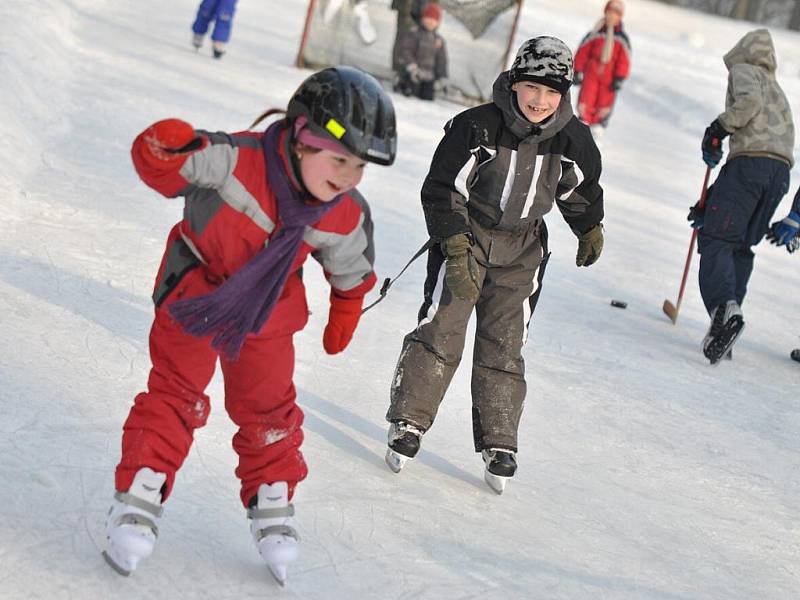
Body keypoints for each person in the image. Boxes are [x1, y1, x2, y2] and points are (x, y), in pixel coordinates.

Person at [102, 67, 397, 584]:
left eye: (359, 166)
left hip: (269, 311)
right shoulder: (239, 159)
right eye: (339, 159)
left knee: (269, 407)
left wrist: (346, 309)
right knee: (175, 394)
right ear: (303, 140)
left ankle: (272, 498)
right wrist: (161, 150)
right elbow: (171, 167)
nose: (348, 176)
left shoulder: (342, 210)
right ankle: (142, 487)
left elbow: (352, 263)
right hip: (196, 291)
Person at [384, 36, 604, 494]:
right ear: (514, 83)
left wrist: (589, 226)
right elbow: (444, 187)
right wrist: (455, 244)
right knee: (443, 327)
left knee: (505, 342)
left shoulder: (571, 139)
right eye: (532, 88)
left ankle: (499, 441)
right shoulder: (477, 127)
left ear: (564, 95)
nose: (541, 101)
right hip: (469, 238)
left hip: (524, 251)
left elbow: (578, 188)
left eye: (552, 92)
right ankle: (409, 421)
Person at [689, 29, 794, 364]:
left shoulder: (745, 71)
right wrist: (714, 196)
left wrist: (719, 128)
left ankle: (724, 309)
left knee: (717, 239)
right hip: (778, 174)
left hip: (749, 166)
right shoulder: (778, 90)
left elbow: (747, 105)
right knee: (740, 247)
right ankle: (727, 325)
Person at [573, 0, 631, 141]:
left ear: (620, 17)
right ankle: (583, 125)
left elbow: (624, 60)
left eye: (616, 14)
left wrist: (619, 77)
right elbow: (583, 52)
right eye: (609, 13)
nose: (612, 17)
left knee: (604, 103)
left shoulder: (621, 38)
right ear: (605, 13)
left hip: (609, 78)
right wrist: (577, 70)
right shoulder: (595, 33)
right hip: (591, 75)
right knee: (586, 98)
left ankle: (598, 129)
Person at [395, 3, 448, 101]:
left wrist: (442, 77)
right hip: (414, 71)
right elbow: (406, 50)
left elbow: (441, 60)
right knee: (410, 92)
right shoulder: (414, 34)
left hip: (429, 75)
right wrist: (412, 66)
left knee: (427, 97)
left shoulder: (438, 40)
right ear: (423, 19)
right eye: (428, 18)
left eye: (434, 20)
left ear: (437, 23)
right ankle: (401, 82)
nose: (430, 22)